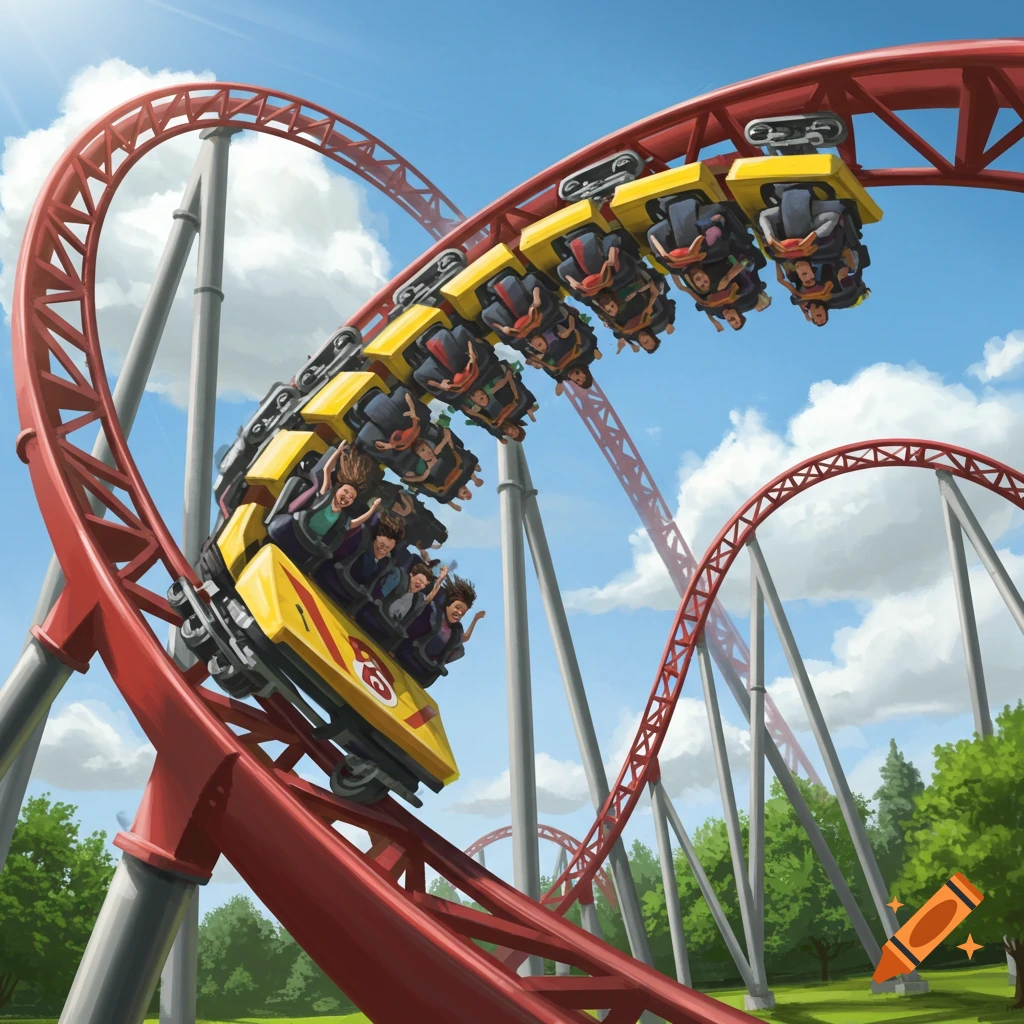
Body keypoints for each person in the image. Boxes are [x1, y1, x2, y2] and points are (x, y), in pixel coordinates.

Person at [266, 443, 379, 568]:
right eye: (346, 491)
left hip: (312, 541)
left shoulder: (342, 517)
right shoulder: (327, 494)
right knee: (277, 528)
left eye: (351, 497)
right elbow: (326, 471)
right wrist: (338, 452)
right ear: (338, 489)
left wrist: (373, 509)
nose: (347, 497)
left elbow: (354, 523)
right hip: (299, 526)